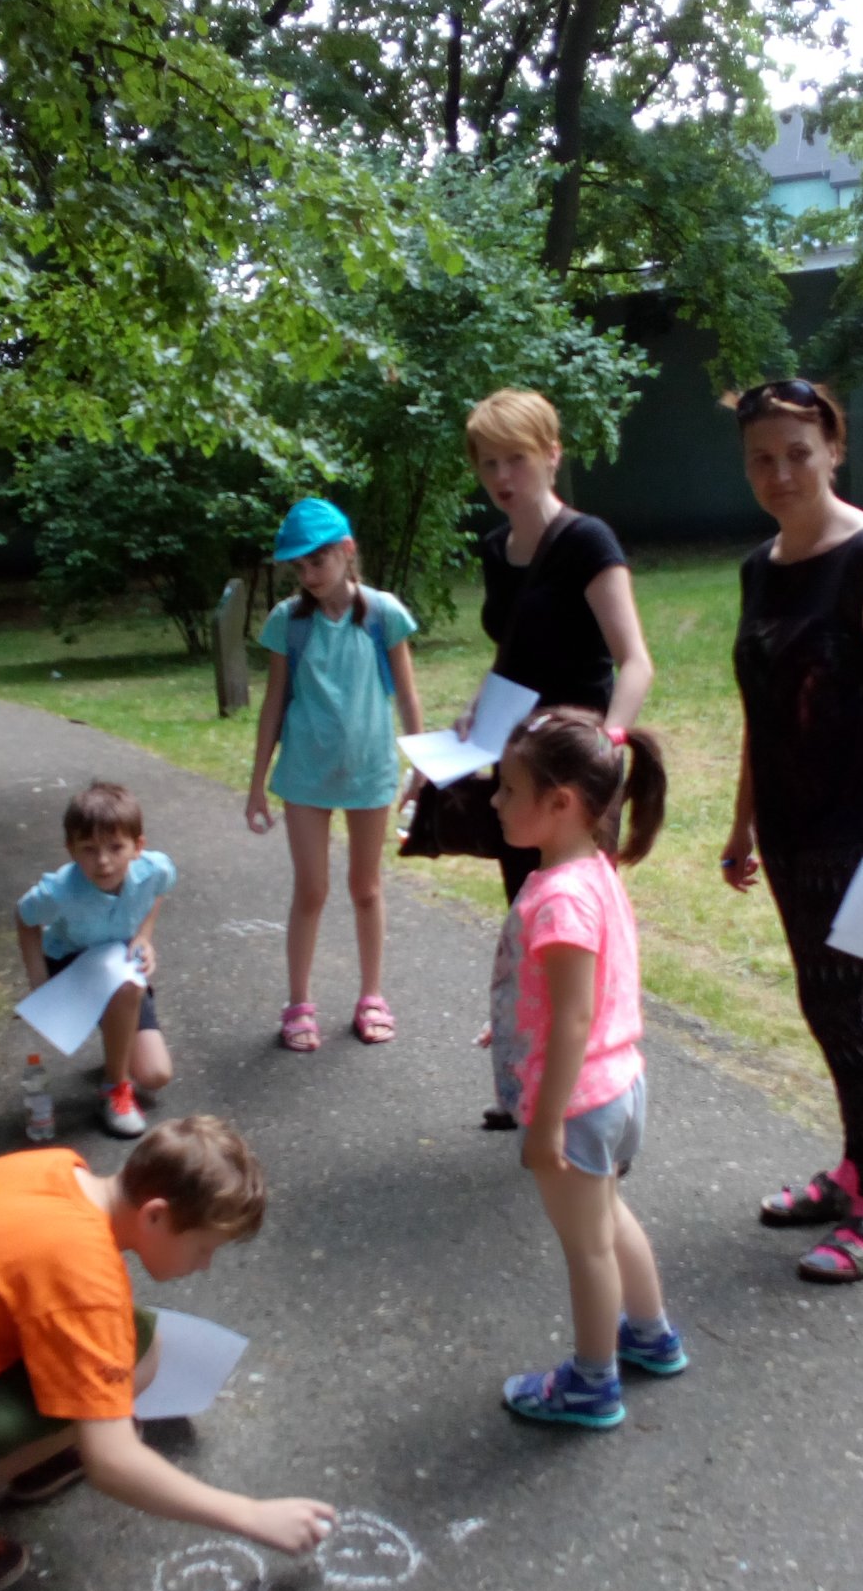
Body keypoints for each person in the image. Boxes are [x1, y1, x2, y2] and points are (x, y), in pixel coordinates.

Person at [0, 1115, 336, 1591]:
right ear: (155, 1214)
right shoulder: (83, 1272)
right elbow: (114, 1463)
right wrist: (251, 1515)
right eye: (203, 1248)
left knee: (134, 1342)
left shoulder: (58, 1168)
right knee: (125, 1372)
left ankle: (35, 1459)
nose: (204, 1266)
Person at [720, 378, 863, 1284]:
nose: (780, 473)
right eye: (761, 459)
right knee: (827, 1001)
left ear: (834, 450)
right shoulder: (760, 567)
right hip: (792, 833)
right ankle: (857, 1171)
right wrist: (743, 821)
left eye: (798, 454)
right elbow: (765, 707)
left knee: (848, 1004)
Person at [488, 707, 686, 1430]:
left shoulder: (560, 898)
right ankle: (651, 1335)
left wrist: (544, 1126)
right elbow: (566, 996)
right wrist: (512, 1022)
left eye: (509, 789)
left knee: (587, 1247)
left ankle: (592, 1383)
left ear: (561, 803)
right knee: (608, 1218)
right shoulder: (591, 870)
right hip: (617, 1084)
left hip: (575, 1104)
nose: (495, 801)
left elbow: (574, 1015)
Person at [463, 389, 654, 909]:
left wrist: (607, 744)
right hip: (519, 759)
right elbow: (515, 653)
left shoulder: (587, 541)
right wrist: (476, 708)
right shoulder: (495, 549)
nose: (502, 476)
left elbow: (635, 662)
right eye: (489, 463)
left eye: (516, 458)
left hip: (574, 762)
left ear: (551, 454)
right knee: (526, 908)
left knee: (573, 911)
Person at [246, 497, 423, 1051]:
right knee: (311, 890)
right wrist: (256, 784)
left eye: (317, 561)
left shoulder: (384, 614)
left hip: (369, 773)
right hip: (304, 777)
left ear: (347, 551)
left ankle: (372, 997)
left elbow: (407, 697)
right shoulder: (288, 622)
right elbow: (274, 704)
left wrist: (422, 765)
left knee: (366, 889)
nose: (308, 575)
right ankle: (299, 1004)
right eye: (298, 566)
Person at [16, 780, 174, 1138]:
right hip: (71, 963)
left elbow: (159, 893)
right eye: (89, 849)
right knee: (127, 985)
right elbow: (24, 919)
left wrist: (144, 937)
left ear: (138, 847)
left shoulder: (156, 868)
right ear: (71, 849)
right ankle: (115, 1089)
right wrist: (39, 986)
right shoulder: (58, 891)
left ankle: (115, 1043)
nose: (103, 861)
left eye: (116, 847)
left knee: (155, 1076)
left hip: (117, 956)